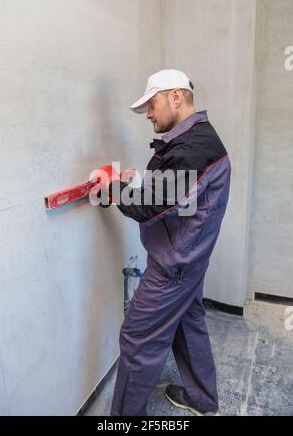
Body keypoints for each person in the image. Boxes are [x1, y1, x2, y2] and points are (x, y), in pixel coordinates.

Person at [92, 69, 231, 416]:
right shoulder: (198, 139)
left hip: (174, 267)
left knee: (137, 342)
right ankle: (202, 398)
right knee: (188, 323)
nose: (149, 115)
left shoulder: (192, 148)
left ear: (175, 97)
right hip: (192, 258)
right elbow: (186, 195)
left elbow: (147, 206)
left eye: (151, 105)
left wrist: (109, 187)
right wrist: (138, 180)